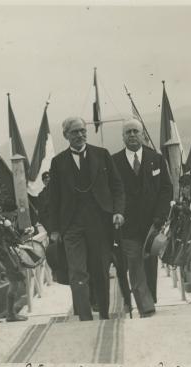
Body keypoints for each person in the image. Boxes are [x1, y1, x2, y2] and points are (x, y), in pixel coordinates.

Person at [49, 116, 124, 321]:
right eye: (74, 132)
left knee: (100, 271)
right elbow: (53, 198)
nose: (80, 135)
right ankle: (84, 318)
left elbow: (117, 187)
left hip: (100, 223)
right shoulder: (58, 162)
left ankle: (104, 315)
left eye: (82, 130)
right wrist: (54, 230)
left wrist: (118, 211)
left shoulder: (102, 155)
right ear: (66, 135)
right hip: (72, 226)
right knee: (77, 272)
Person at [112, 119, 172, 317]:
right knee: (134, 264)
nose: (131, 135)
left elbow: (165, 189)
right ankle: (145, 305)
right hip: (127, 224)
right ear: (122, 137)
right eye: (127, 132)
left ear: (142, 135)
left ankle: (149, 299)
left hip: (152, 223)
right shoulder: (114, 161)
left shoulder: (156, 158)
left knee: (150, 262)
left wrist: (160, 216)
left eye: (135, 131)